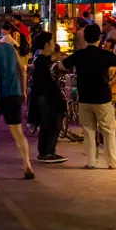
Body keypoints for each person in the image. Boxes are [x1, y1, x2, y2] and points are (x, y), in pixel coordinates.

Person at [63, 24, 116, 169]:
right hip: (103, 98)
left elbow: (62, 65)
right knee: (108, 130)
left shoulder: (79, 54)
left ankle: (91, 162)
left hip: (84, 98)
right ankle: (112, 162)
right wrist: (113, 79)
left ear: (85, 38)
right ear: (99, 38)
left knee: (88, 130)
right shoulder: (105, 55)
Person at [0, 28, 35, 179]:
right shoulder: (10, 48)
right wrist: (23, 90)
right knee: (17, 132)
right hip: (15, 93)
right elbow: (21, 69)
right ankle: (27, 164)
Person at [31, 32, 69, 164]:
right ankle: (48, 152)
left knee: (47, 125)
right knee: (52, 125)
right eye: (52, 42)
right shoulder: (42, 60)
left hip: (44, 98)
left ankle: (45, 152)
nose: (54, 44)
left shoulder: (40, 59)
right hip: (48, 98)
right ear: (47, 44)